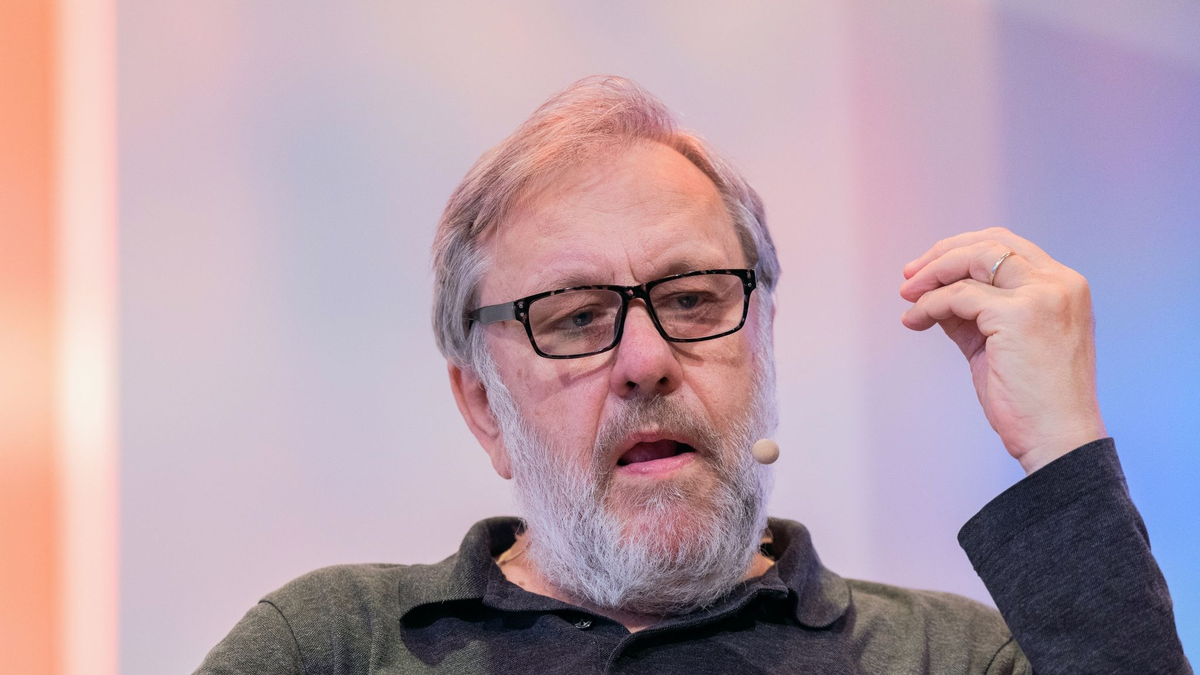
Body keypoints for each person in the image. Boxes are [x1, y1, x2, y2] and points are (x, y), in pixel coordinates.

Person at [194, 76, 1191, 674]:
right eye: (576, 318)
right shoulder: (331, 645)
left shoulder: (950, 660)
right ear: (481, 408)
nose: (645, 362)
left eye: (694, 299)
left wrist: (1063, 451)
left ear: (762, 338)